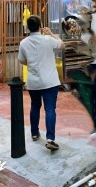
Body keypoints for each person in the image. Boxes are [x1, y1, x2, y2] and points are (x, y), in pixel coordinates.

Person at [18, 15, 64, 151]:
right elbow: (62, 45)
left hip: (34, 82)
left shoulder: (23, 43)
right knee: (50, 109)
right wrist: (51, 33)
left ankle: (34, 133)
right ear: (40, 26)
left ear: (28, 28)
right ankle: (50, 138)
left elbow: (21, 60)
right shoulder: (48, 39)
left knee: (35, 106)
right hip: (50, 81)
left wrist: (31, 63)